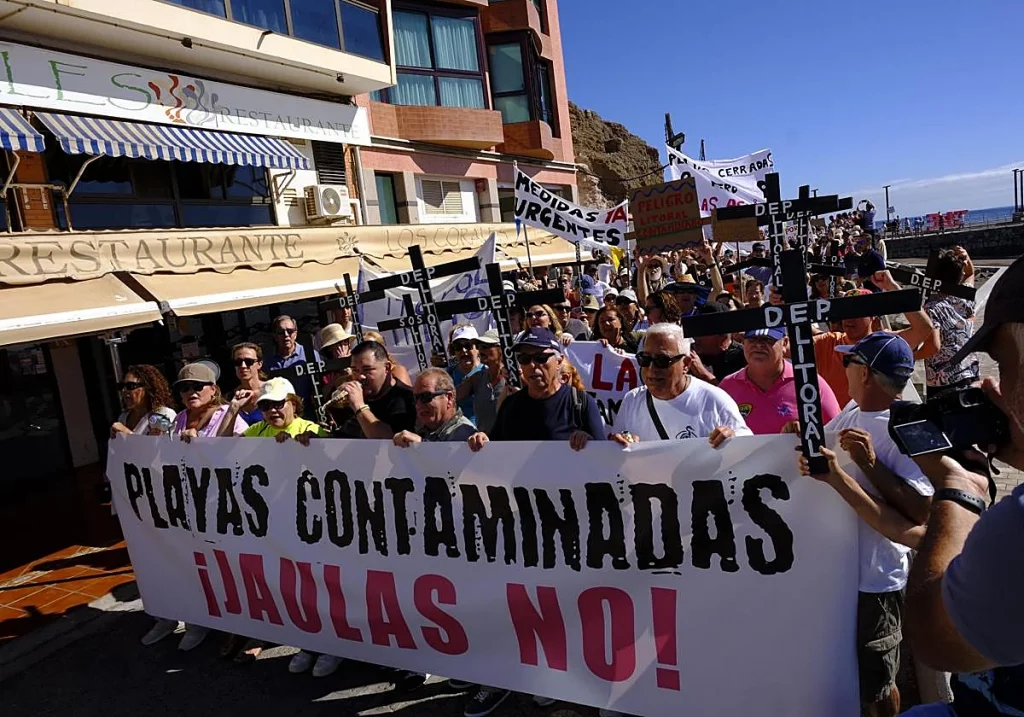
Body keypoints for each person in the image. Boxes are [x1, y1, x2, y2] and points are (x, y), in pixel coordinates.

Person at [900, 257, 1024, 714]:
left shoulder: (1015, 526)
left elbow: (936, 639)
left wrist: (957, 490)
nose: (996, 384)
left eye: (1005, 365)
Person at [463, 326, 604, 717]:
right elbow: (495, 455)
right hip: (524, 525)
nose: (532, 366)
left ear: (559, 361)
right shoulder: (512, 406)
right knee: (531, 602)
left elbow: (607, 465)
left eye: (541, 358)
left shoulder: (580, 403)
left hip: (572, 526)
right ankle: (539, 674)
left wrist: (590, 444)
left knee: (571, 604)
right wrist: (481, 442)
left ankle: (582, 677)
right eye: (525, 359)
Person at [802, 333, 934, 717]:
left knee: (878, 683)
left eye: (850, 362)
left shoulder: (910, 424)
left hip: (875, 580)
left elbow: (922, 508)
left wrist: (873, 465)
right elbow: (827, 452)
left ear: (866, 373)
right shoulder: (852, 409)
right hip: (836, 574)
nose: (844, 368)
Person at [218, 378, 326, 666]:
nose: (272, 411)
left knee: (307, 582)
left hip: (304, 522)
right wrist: (233, 409)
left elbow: (334, 463)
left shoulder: (310, 428)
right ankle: (274, 634)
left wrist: (310, 447)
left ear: (293, 403)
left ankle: (317, 642)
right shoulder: (259, 430)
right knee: (273, 579)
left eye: (278, 404)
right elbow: (222, 447)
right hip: (268, 521)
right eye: (266, 406)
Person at [140, 361, 247, 652]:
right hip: (187, 506)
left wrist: (202, 447)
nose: (191, 392)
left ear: (213, 389)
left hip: (222, 507)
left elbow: (242, 455)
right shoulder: (179, 419)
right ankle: (196, 620)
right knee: (191, 565)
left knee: (224, 568)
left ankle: (236, 625)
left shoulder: (229, 415)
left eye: (198, 386)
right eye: (185, 388)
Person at [812, 274, 939, 409]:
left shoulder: (886, 344)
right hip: (839, 421)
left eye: (857, 313)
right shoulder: (827, 343)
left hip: (878, 419)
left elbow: (924, 328)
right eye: (846, 312)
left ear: (872, 317)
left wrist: (892, 287)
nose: (849, 319)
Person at [611, 323, 750, 445]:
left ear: (686, 364)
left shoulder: (714, 400)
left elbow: (747, 444)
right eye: (645, 359)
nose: (652, 369)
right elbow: (616, 447)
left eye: (662, 360)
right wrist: (620, 442)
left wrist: (732, 438)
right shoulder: (632, 400)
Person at [719, 328, 841, 435]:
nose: (759, 345)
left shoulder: (809, 383)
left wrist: (807, 432)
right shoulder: (727, 387)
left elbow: (837, 432)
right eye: (752, 339)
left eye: (767, 339)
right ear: (743, 342)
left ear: (785, 343)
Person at [922, 248, 979, 397]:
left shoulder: (931, 308)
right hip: (970, 372)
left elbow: (933, 347)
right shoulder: (966, 297)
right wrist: (966, 256)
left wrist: (910, 355)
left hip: (943, 381)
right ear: (960, 275)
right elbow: (970, 274)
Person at [331, 340, 416, 439]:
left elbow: (392, 440)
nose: (360, 376)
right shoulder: (359, 396)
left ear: (387, 368)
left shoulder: (405, 399)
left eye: (367, 370)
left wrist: (359, 407)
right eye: (355, 370)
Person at [393, 369, 477, 446]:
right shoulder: (425, 429)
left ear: (449, 398)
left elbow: (449, 456)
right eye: (415, 398)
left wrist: (421, 444)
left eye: (425, 396)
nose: (418, 404)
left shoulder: (464, 433)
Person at [265, 315, 321, 417]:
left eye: (290, 331)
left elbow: (322, 382)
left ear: (295, 333)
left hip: (308, 411)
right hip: (280, 412)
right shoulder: (268, 361)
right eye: (281, 332)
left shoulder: (310, 355)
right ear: (275, 336)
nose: (286, 335)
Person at [456, 330, 505, 435]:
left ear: (501, 349)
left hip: (513, 442)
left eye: (485, 346)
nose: (481, 350)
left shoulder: (515, 377)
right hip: (484, 442)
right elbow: (452, 398)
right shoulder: (477, 378)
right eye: (479, 346)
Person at [688, 302, 747, 384]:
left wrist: (704, 375)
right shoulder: (689, 357)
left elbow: (737, 392)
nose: (695, 337)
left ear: (723, 336)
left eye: (701, 331)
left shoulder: (744, 358)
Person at [110, 364, 176, 436]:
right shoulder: (123, 418)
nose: (124, 391)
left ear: (148, 388)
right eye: (121, 386)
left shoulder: (163, 414)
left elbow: (166, 442)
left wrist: (128, 434)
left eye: (130, 386)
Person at [446, 324, 484, 425]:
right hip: (454, 429)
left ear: (478, 347)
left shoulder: (488, 372)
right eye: (458, 347)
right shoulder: (447, 375)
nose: (463, 351)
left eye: (468, 345)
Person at [229, 343, 266, 425]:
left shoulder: (272, 389)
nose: (243, 366)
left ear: (259, 364)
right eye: (238, 362)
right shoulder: (230, 397)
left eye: (249, 361)